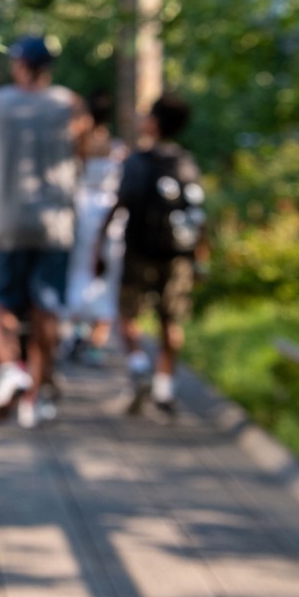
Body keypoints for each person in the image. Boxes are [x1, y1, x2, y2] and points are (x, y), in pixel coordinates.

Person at [0, 36, 90, 428]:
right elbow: (82, 157)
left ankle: (10, 367)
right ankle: (34, 397)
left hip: (3, 221)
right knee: (46, 308)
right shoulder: (71, 105)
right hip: (54, 224)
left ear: (18, 65)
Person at [96, 94, 207, 420]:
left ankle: (138, 364)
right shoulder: (187, 163)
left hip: (139, 251)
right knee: (170, 320)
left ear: (155, 123)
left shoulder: (138, 161)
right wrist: (200, 258)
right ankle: (164, 388)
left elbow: (119, 203)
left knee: (127, 313)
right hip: (179, 255)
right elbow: (199, 214)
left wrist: (98, 244)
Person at [64, 90, 127, 363]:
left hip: (82, 213)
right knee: (106, 275)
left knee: (78, 272)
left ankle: (77, 331)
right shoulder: (117, 147)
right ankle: (97, 341)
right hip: (111, 217)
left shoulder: (78, 145)